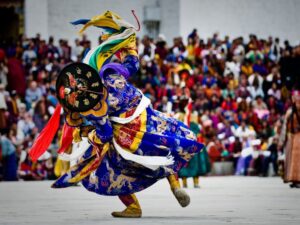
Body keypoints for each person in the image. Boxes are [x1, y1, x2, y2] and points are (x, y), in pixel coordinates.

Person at [29, 11, 204, 218]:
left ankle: (133, 207)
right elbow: (133, 65)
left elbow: (104, 132)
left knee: (111, 169)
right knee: (164, 147)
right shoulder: (113, 73)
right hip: (146, 119)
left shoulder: (95, 105)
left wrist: (88, 133)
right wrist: (130, 45)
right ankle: (174, 184)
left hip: (126, 136)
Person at [279, 89, 300, 188]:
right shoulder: (290, 112)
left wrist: (282, 141)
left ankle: (294, 179)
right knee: (293, 160)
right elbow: (284, 127)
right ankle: (295, 179)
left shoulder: (289, 111)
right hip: (292, 137)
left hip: (292, 137)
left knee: (293, 160)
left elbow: (284, 128)